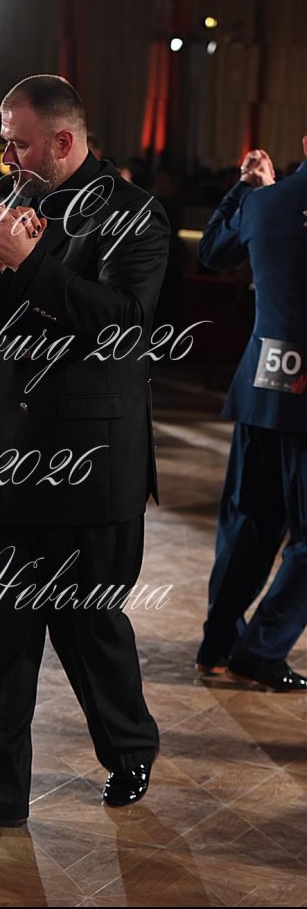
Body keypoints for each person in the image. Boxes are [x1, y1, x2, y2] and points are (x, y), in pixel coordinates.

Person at [0, 74, 170, 829]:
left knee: (89, 625)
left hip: (92, 457)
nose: (8, 157)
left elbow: (124, 322)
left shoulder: (133, 212)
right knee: (1, 629)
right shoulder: (13, 200)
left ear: (62, 140)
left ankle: (130, 748)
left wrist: (29, 263)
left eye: (19, 144)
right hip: (12, 449)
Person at [194, 140, 307, 691]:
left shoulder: (265, 202)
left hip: (264, 383)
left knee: (248, 523)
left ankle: (218, 643)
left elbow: (213, 251)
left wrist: (245, 188)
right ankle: (259, 651)